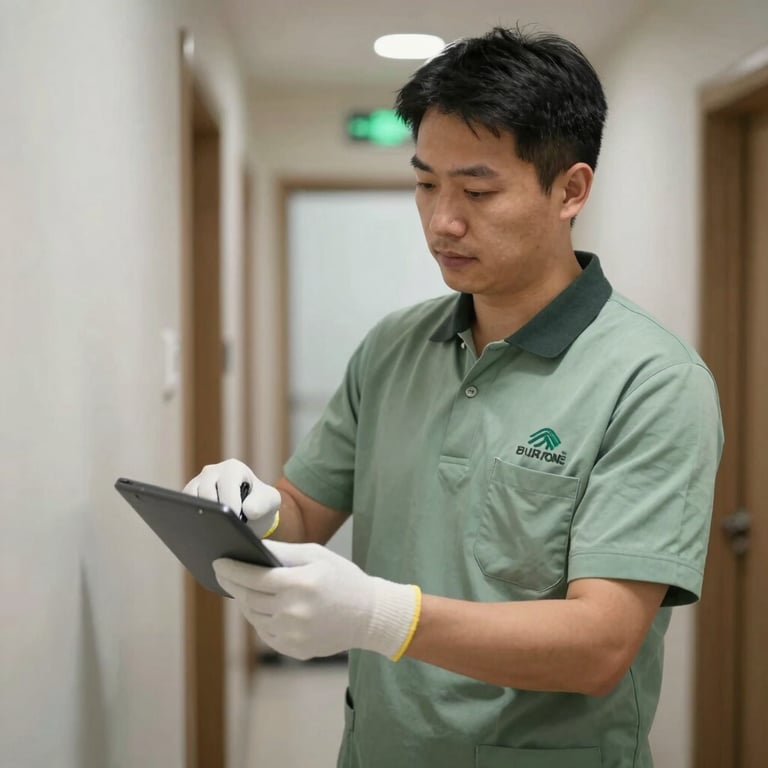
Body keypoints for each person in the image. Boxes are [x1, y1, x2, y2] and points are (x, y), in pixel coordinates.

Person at [184, 26, 723, 768]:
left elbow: (599, 645)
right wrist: (255, 511)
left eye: (476, 190)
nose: (443, 221)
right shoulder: (393, 348)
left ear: (571, 190)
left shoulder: (652, 380)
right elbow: (307, 508)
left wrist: (380, 616)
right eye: (425, 183)